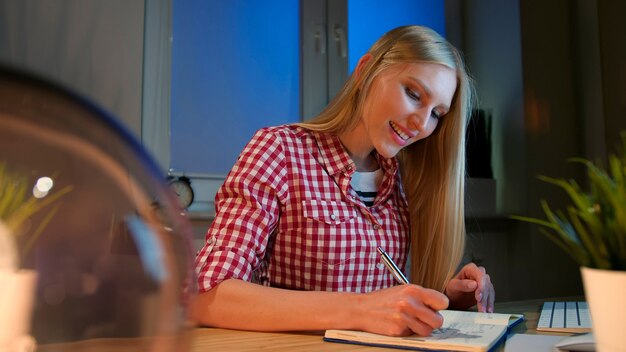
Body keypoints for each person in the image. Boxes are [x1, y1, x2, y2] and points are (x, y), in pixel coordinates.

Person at [193, 25, 495, 337]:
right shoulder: (279, 151)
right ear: (365, 71)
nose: (422, 123)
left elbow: (385, 305)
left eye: (436, 113)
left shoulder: (403, 182)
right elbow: (206, 295)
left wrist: (446, 298)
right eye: (414, 94)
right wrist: (361, 310)